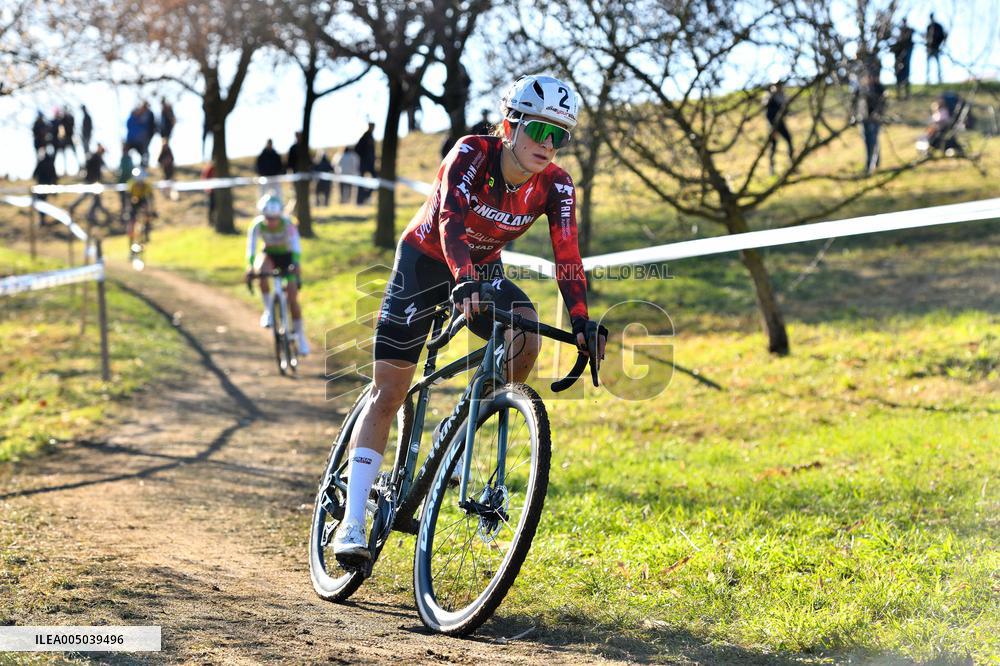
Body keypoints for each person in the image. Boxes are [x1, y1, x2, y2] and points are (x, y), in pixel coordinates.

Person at [330, 74, 608, 562]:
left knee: (526, 337)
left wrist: (583, 320)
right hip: (425, 261)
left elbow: (568, 255)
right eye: (539, 131)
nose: (549, 145)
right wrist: (463, 277)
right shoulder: (470, 153)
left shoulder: (557, 184)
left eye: (559, 136)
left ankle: (465, 431)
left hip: (479, 270)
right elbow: (450, 221)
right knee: (390, 391)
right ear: (510, 125)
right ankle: (352, 523)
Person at [244, 195, 310, 355]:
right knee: (261, 271)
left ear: (280, 215)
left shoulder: (288, 225)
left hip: (288, 257)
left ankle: (301, 337)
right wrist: (250, 267)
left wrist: (295, 264)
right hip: (270, 256)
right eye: (268, 218)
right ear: (263, 215)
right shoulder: (257, 225)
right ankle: (268, 311)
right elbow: (251, 248)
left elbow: (296, 247)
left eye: (274, 218)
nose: (272, 222)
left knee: (293, 298)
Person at [68, 143, 111, 226]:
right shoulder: (94, 157)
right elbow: (90, 169)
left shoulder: (97, 157)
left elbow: (103, 168)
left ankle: (91, 214)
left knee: (96, 199)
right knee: (91, 198)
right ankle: (78, 209)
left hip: (94, 183)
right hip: (90, 182)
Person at [854, 72, 886, 174]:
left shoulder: (879, 88)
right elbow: (855, 102)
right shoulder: (861, 89)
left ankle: (870, 165)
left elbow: (883, 103)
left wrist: (877, 114)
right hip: (864, 119)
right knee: (868, 142)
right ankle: (874, 162)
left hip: (875, 120)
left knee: (873, 141)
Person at [764, 82, 794, 175]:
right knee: (773, 146)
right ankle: (772, 169)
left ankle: (791, 165)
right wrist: (772, 128)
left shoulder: (782, 96)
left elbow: (786, 110)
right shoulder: (770, 97)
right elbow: (768, 114)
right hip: (772, 125)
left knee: (789, 140)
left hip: (781, 124)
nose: (779, 87)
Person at [126, 166, 156, 247]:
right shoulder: (131, 184)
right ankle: (131, 240)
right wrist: (128, 208)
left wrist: (151, 210)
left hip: (143, 200)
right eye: (138, 183)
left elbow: (150, 198)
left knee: (147, 215)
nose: (139, 184)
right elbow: (128, 197)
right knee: (132, 221)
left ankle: (146, 233)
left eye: (141, 182)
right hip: (134, 201)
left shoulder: (147, 185)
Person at [32, 148, 58, 226]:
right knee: (43, 202)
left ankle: (42, 220)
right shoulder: (50, 163)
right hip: (47, 187)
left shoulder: (40, 162)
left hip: (40, 187)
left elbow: (34, 174)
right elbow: (55, 176)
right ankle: (42, 220)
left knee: (40, 203)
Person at [891, 19, 915, 99]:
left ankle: (906, 94)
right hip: (898, 64)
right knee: (899, 78)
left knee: (906, 77)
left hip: (905, 63)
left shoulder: (907, 42)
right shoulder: (898, 43)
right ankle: (899, 95)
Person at [354, 122, 377, 204]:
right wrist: (364, 157)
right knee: (361, 183)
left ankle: (366, 196)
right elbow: (356, 149)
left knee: (376, 180)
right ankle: (360, 200)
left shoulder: (371, 137)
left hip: (370, 163)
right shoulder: (365, 136)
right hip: (364, 164)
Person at [926, 13, 947, 85]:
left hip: (936, 48)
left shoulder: (938, 26)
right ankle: (928, 80)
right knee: (928, 65)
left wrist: (941, 45)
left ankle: (940, 79)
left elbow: (943, 36)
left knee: (938, 64)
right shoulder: (928, 27)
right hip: (929, 48)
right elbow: (927, 37)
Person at [117, 144, 135, 224]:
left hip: (129, 185)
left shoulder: (128, 159)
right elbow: (122, 171)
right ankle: (123, 219)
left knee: (130, 203)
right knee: (123, 204)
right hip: (122, 184)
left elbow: (130, 171)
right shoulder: (123, 159)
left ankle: (130, 218)